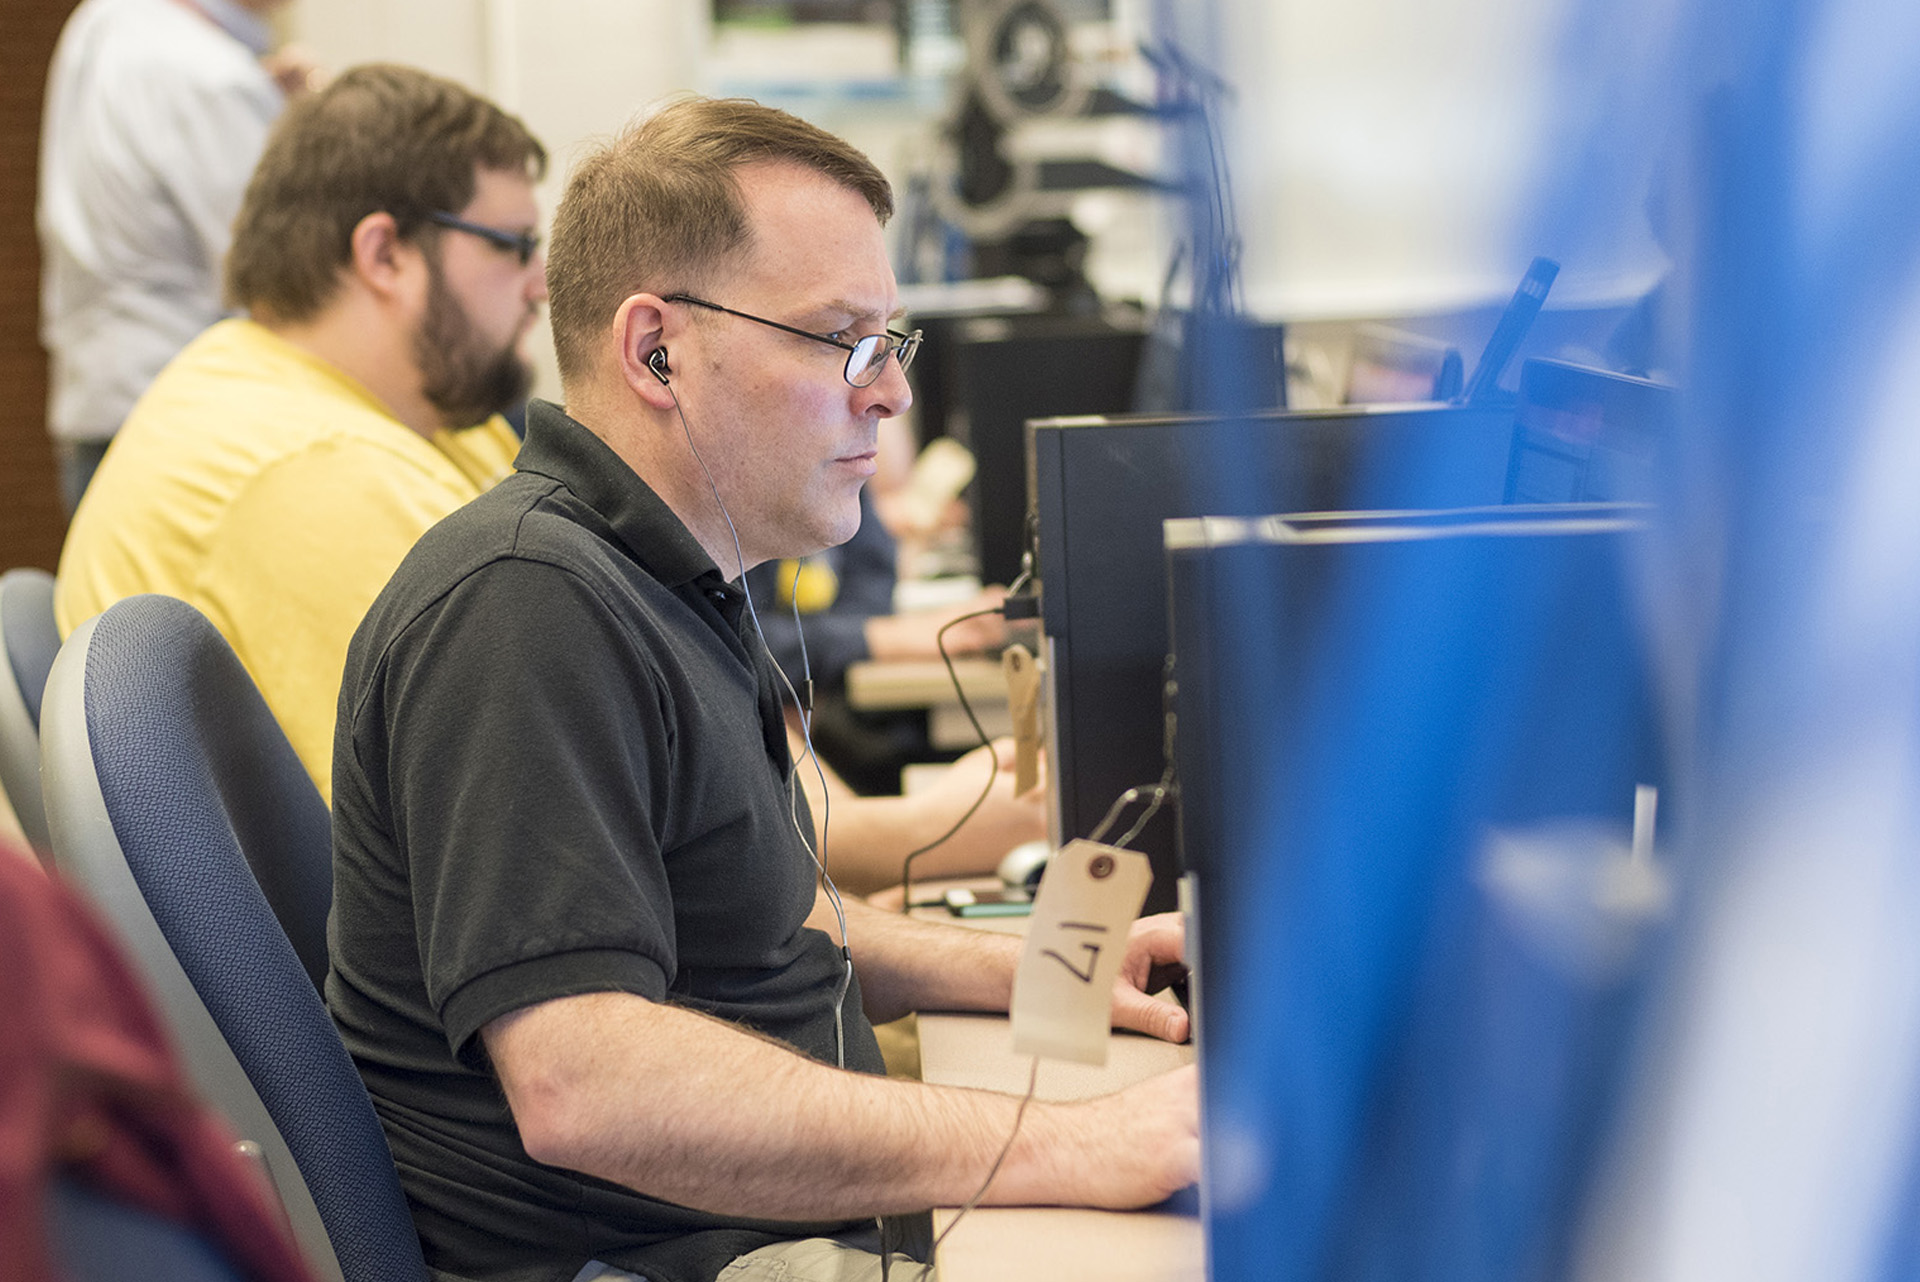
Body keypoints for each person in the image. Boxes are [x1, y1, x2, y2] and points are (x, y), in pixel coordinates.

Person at [328, 96, 1197, 1282]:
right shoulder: (526, 603)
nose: (887, 394)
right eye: (844, 338)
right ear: (656, 352)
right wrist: (1070, 1146)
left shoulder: (665, 573)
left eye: (891, 342)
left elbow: (774, 925)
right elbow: (586, 1085)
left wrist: (1065, 969)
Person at [53, 64, 549, 800]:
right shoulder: (314, 474)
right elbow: (522, 802)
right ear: (384, 255)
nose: (539, 282)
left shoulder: (379, 399)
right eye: (511, 246)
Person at [37, 0, 311, 512]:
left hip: (103, 413)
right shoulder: (209, 76)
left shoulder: (106, 20)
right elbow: (284, 275)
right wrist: (298, 136)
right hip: (186, 431)